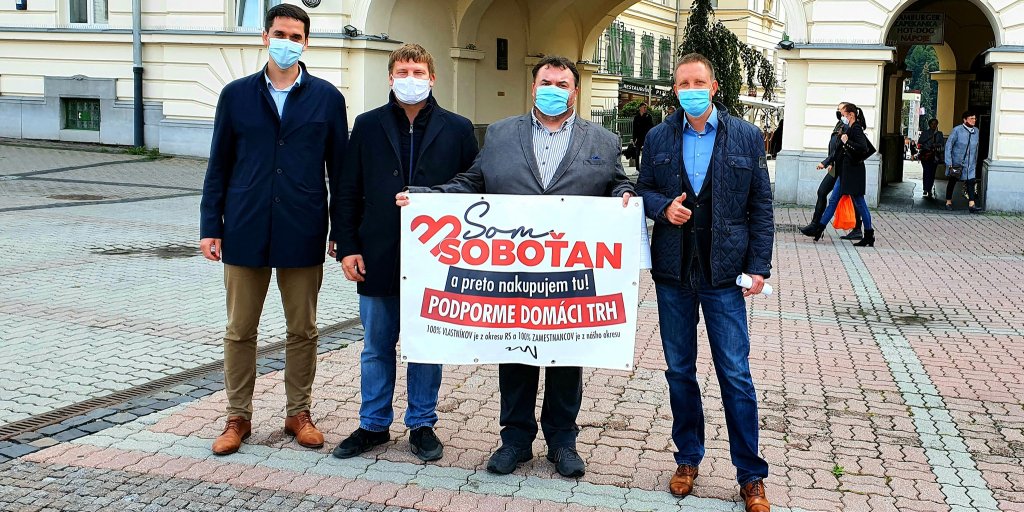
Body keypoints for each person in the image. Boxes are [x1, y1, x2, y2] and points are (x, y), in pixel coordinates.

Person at [397, 56, 634, 479]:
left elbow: (617, 183)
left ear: (575, 91)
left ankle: (563, 441)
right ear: (533, 87)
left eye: (562, 84)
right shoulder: (502, 134)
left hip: (569, 271)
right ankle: (515, 440)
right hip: (515, 270)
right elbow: (472, 182)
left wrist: (624, 195)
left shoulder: (602, 139)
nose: (553, 90)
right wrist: (428, 199)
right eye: (546, 82)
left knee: (566, 355)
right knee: (515, 351)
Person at [199, 4, 347, 456]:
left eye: (295, 37)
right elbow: (218, 164)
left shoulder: (327, 98)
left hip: (302, 226)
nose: (287, 43)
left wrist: (341, 230)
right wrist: (210, 225)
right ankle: (237, 417)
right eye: (279, 34)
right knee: (239, 329)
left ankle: (298, 413)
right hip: (244, 226)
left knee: (302, 329)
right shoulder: (236, 95)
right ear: (265, 37)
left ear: (306, 43)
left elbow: (341, 173)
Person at [634, 53, 773, 512]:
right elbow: (643, 190)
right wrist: (662, 208)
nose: (691, 90)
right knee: (679, 371)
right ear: (675, 90)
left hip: (724, 274)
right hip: (673, 272)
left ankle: (751, 475)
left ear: (714, 87)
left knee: (735, 373)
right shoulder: (658, 136)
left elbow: (761, 206)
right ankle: (687, 459)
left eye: (699, 82)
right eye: (683, 84)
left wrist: (759, 266)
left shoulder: (746, 136)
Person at [329, 44, 479, 462]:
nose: (410, 79)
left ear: (432, 78)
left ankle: (422, 424)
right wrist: (347, 246)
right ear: (390, 78)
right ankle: (373, 424)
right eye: (402, 72)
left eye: (418, 72)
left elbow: (474, 188)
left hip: (436, 257)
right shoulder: (367, 124)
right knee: (376, 345)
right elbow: (347, 189)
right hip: (377, 252)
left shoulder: (458, 128)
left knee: (426, 344)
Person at [808, 102, 877, 247]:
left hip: (854, 173)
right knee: (833, 200)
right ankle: (819, 229)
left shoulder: (856, 128)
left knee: (860, 202)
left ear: (851, 115)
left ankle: (869, 235)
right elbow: (838, 151)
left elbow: (863, 148)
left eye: (843, 113)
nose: (841, 116)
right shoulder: (848, 128)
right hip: (844, 172)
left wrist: (847, 142)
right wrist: (826, 163)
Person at [801, 103, 863, 240]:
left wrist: (826, 162)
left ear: (848, 113)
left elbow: (844, 148)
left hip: (844, 168)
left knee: (854, 198)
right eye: (838, 110)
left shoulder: (850, 127)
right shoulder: (840, 125)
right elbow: (834, 146)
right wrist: (830, 162)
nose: (838, 112)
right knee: (822, 192)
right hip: (835, 166)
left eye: (840, 110)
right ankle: (815, 225)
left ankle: (858, 228)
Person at [944, 111, 982, 213]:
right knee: (952, 181)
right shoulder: (957, 130)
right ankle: (948, 201)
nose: (974, 120)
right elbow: (948, 146)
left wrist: (975, 161)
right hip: (956, 163)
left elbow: (976, 148)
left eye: (974, 118)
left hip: (971, 163)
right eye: (971, 118)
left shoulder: (976, 131)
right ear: (965, 120)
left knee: (971, 182)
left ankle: (972, 204)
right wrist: (949, 162)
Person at [918, 119, 943, 199]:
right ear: (929, 125)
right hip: (926, 154)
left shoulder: (939, 134)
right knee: (926, 171)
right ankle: (925, 188)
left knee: (932, 173)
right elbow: (920, 141)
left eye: (935, 124)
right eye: (932, 124)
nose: (934, 125)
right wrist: (930, 137)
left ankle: (929, 189)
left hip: (935, 155)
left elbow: (942, 143)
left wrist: (937, 145)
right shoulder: (925, 133)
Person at [632, 102, 655, 167]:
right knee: (637, 153)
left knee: (645, 154)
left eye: (646, 108)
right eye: (644, 107)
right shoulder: (636, 117)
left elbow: (651, 127)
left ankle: (644, 167)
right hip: (639, 138)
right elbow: (634, 128)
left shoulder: (648, 116)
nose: (645, 109)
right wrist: (634, 139)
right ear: (640, 108)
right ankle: (637, 168)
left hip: (646, 137)